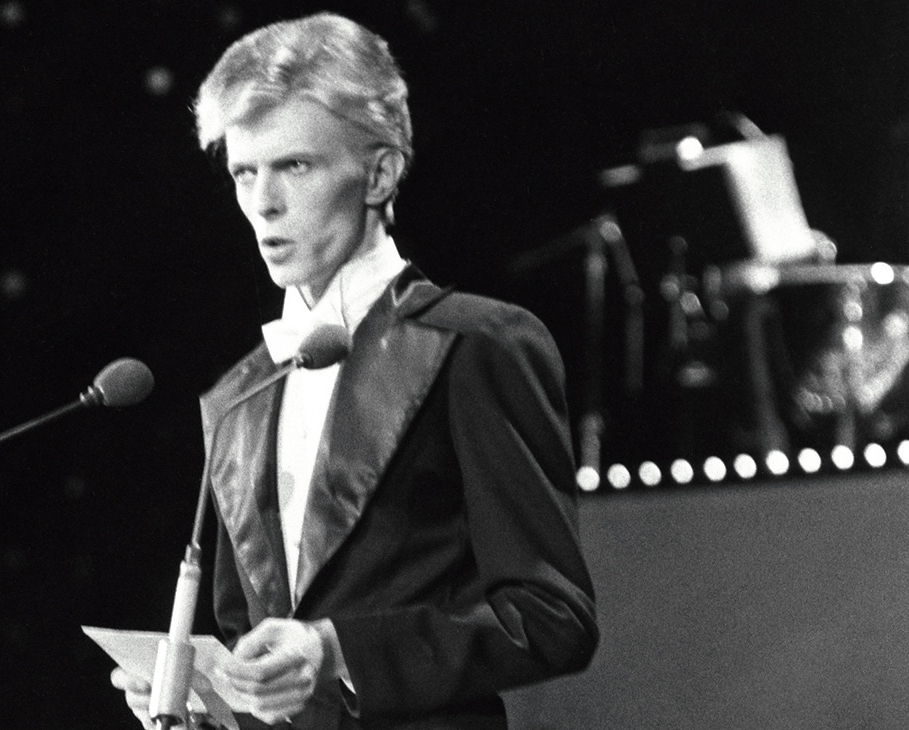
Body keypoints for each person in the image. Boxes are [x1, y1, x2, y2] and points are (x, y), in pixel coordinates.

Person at [112, 12, 598, 729]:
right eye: (245, 172)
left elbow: (552, 616)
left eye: (295, 166)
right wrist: (207, 695)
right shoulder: (240, 394)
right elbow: (256, 649)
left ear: (380, 172)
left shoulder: (477, 346)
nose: (263, 204)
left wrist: (338, 653)